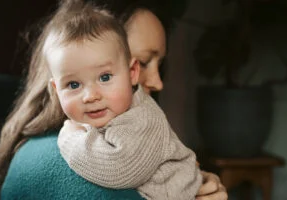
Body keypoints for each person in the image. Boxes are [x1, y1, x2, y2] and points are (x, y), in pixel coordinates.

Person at [0, 0, 227, 200]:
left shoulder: (137, 117)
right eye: (144, 61)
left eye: (104, 77)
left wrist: (195, 181)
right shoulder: (58, 160)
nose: (158, 82)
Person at [45, 1, 202, 199]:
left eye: (105, 78)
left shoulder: (144, 117)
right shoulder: (111, 112)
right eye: (74, 85)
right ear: (56, 89)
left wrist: (70, 139)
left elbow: (120, 169)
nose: (91, 96)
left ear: (131, 72)